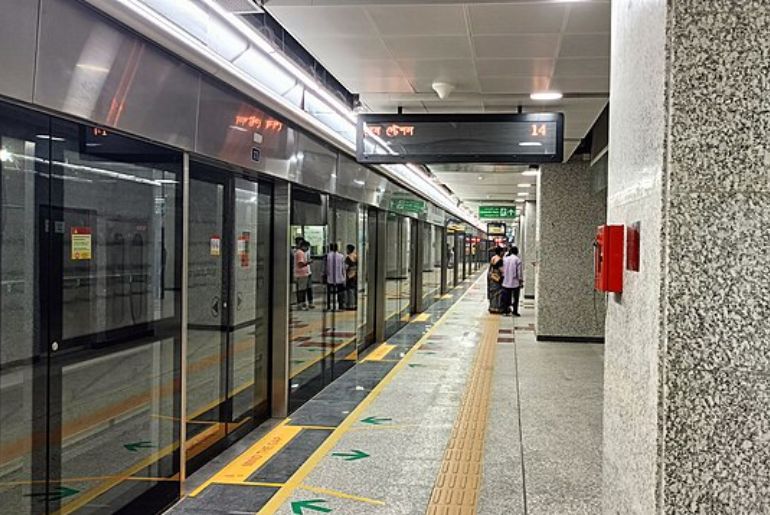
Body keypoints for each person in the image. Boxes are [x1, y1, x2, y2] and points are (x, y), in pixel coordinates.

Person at [501, 245, 523, 316]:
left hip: (506, 281)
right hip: (515, 282)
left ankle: (505, 310)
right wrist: (520, 280)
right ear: (517, 252)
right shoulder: (518, 260)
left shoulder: (505, 259)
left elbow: (502, 270)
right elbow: (519, 272)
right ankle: (515, 311)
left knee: (506, 297)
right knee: (515, 298)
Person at [325, 243, 346, 311]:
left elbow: (325, 267)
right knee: (340, 292)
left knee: (329, 293)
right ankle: (340, 306)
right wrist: (344, 276)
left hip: (329, 277)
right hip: (339, 277)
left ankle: (329, 306)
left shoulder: (327, 256)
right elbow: (343, 268)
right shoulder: (341, 256)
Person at [487, 246, 506, 314]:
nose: (503, 253)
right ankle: (497, 308)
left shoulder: (493, 258)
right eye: (502, 251)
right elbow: (501, 270)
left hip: (492, 276)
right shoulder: (500, 260)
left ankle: (492, 307)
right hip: (497, 277)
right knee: (498, 293)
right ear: (500, 252)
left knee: (493, 292)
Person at [294, 240, 311, 310]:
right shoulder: (300, 253)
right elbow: (300, 264)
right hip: (301, 274)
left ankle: (302, 303)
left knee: (302, 289)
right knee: (301, 290)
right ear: (303, 246)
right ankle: (300, 304)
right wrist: (308, 262)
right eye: (307, 247)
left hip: (301, 274)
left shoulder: (299, 252)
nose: (307, 249)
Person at [303, 239, 316, 309]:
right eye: (307, 247)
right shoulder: (298, 253)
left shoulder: (307, 252)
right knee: (303, 289)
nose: (308, 249)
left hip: (308, 272)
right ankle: (303, 302)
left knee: (309, 288)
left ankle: (310, 302)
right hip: (302, 273)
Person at [344, 244, 358, 310]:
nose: (346, 250)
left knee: (349, 290)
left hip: (349, 276)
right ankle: (355, 304)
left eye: (347, 249)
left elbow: (345, 267)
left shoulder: (348, 258)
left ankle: (350, 305)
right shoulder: (356, 256)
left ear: (349, 249)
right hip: (355, 275)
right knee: (354, 290)